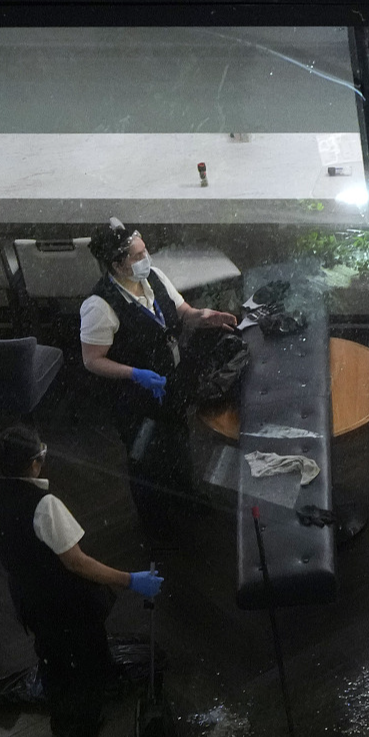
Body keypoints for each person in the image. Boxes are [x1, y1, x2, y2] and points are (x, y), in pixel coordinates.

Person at [0, 425, 163, 737]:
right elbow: (77, 563)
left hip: (27, 595)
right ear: (35, 463)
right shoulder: (44, 505)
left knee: (55, 657)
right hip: (65, 602)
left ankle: (66, 711)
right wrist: (130, 580)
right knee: (83, 672)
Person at [78, 218, 236, 538]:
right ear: (116, 264)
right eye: (137, 256)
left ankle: (186, 496)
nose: (145, 259)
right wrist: (135, 374)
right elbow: (92, 360)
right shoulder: (99, 306)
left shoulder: (155, 277)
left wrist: (202, 316)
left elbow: (183, 312)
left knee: (176, 439)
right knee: (145, 456)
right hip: (134, 397)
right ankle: (154, 522)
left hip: (169, 382)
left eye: (145, 251)